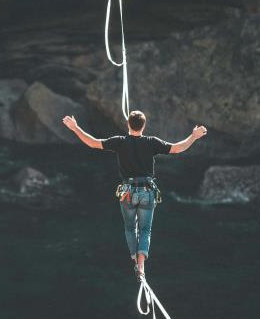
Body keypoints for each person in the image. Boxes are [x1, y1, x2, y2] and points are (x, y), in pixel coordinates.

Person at [62, 111, 207, 281]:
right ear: (144, 126)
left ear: (128, 124)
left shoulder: (120, 142)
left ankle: (134, 261)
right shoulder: (151, 142)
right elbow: (177, 148)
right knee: (145, 231)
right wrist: (193, 136)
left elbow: (93, 143)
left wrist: (75, 128)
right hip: (147, 191)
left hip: (128, 192)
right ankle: (141, 267)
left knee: (130, 228)